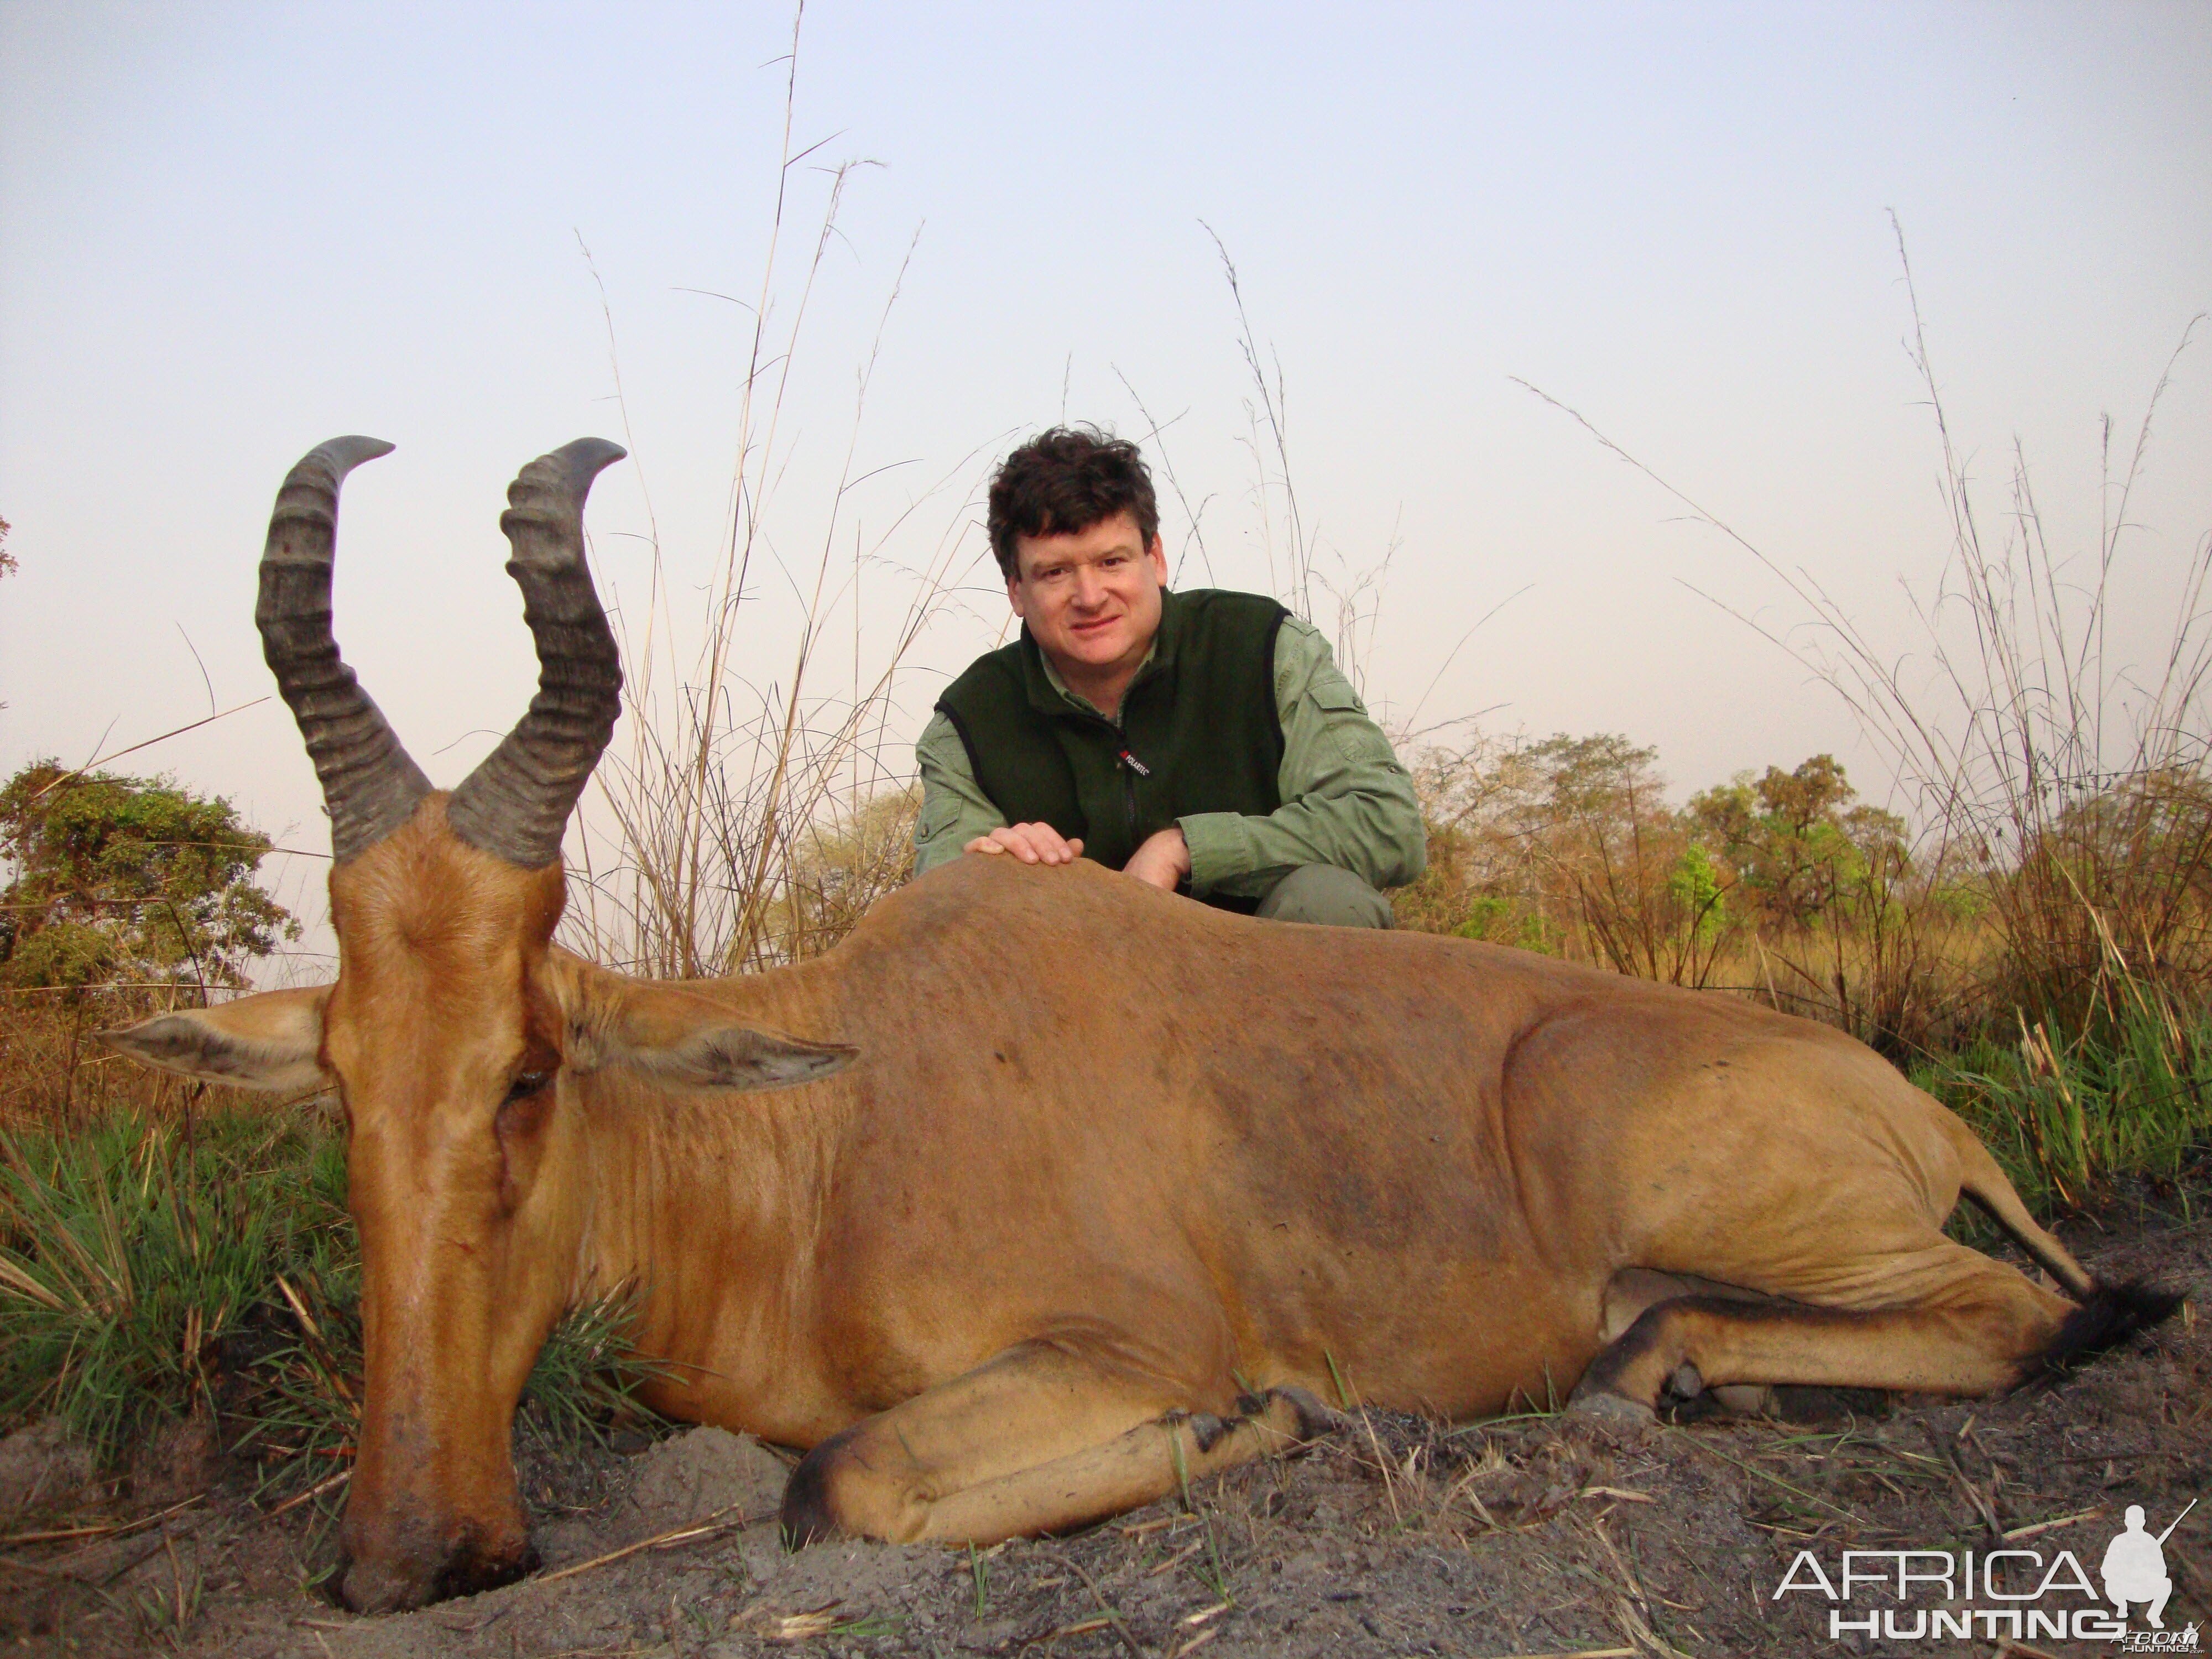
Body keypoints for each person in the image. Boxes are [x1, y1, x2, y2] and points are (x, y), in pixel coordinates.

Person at [912, 426, 1425, 926]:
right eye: (1056, 572)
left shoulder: (1266, 647)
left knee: (1327, 901)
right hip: (1082, 988)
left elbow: (1388, 824)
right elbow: (938, 902)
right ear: (1016, 591)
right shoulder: (968, 719)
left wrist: (1186, 848)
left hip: (1269, 978)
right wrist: (990, 870)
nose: (1090, 597)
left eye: (1112, 561)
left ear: (1155, 558)